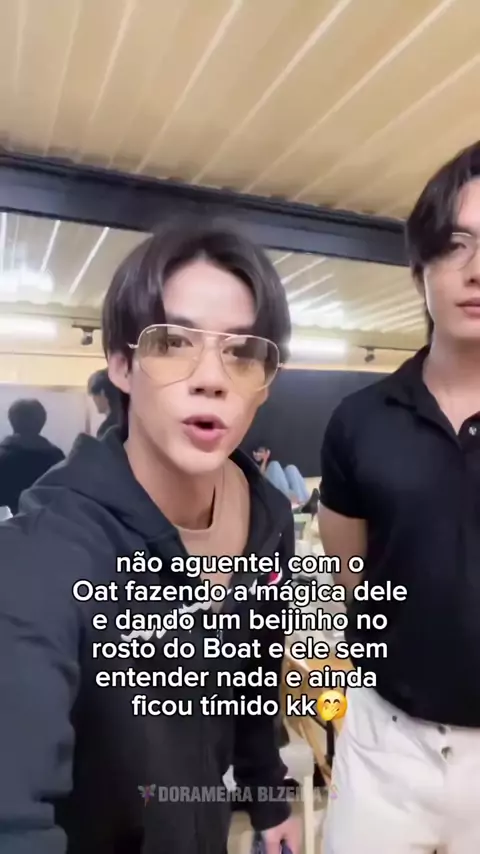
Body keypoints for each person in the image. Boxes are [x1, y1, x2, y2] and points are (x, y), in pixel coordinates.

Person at [0, 220, 301, 854]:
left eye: (241, 352)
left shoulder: (267, 518)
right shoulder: (48, 553)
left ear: (264, 382)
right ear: (121, 365)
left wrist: (269, 794)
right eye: (173, 342)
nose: (212, 377)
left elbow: (253, 676)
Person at [319, 140, 480, 854]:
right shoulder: (359, 420)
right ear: (420, 268)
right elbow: (353, 576)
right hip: (386, 744)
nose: (476, 270)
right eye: (455, 245)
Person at [0, 398, 64, 514]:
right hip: (49, 522)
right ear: (42, 421)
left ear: (12, 420)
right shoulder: (57, 458)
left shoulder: (3, 456)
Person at [87, 367, 121, 437]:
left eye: (94, 395)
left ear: (103, 393)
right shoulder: (128, 422)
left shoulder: (106, 430)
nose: (93, 400)